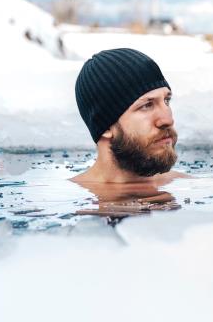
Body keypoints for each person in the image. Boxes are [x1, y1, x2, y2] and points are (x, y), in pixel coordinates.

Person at [69, 48, 187, 215]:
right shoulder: (66, 202)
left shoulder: (187, 184)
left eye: (166, 100)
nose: (167, 119)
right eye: (146, 105)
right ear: (107, 126)